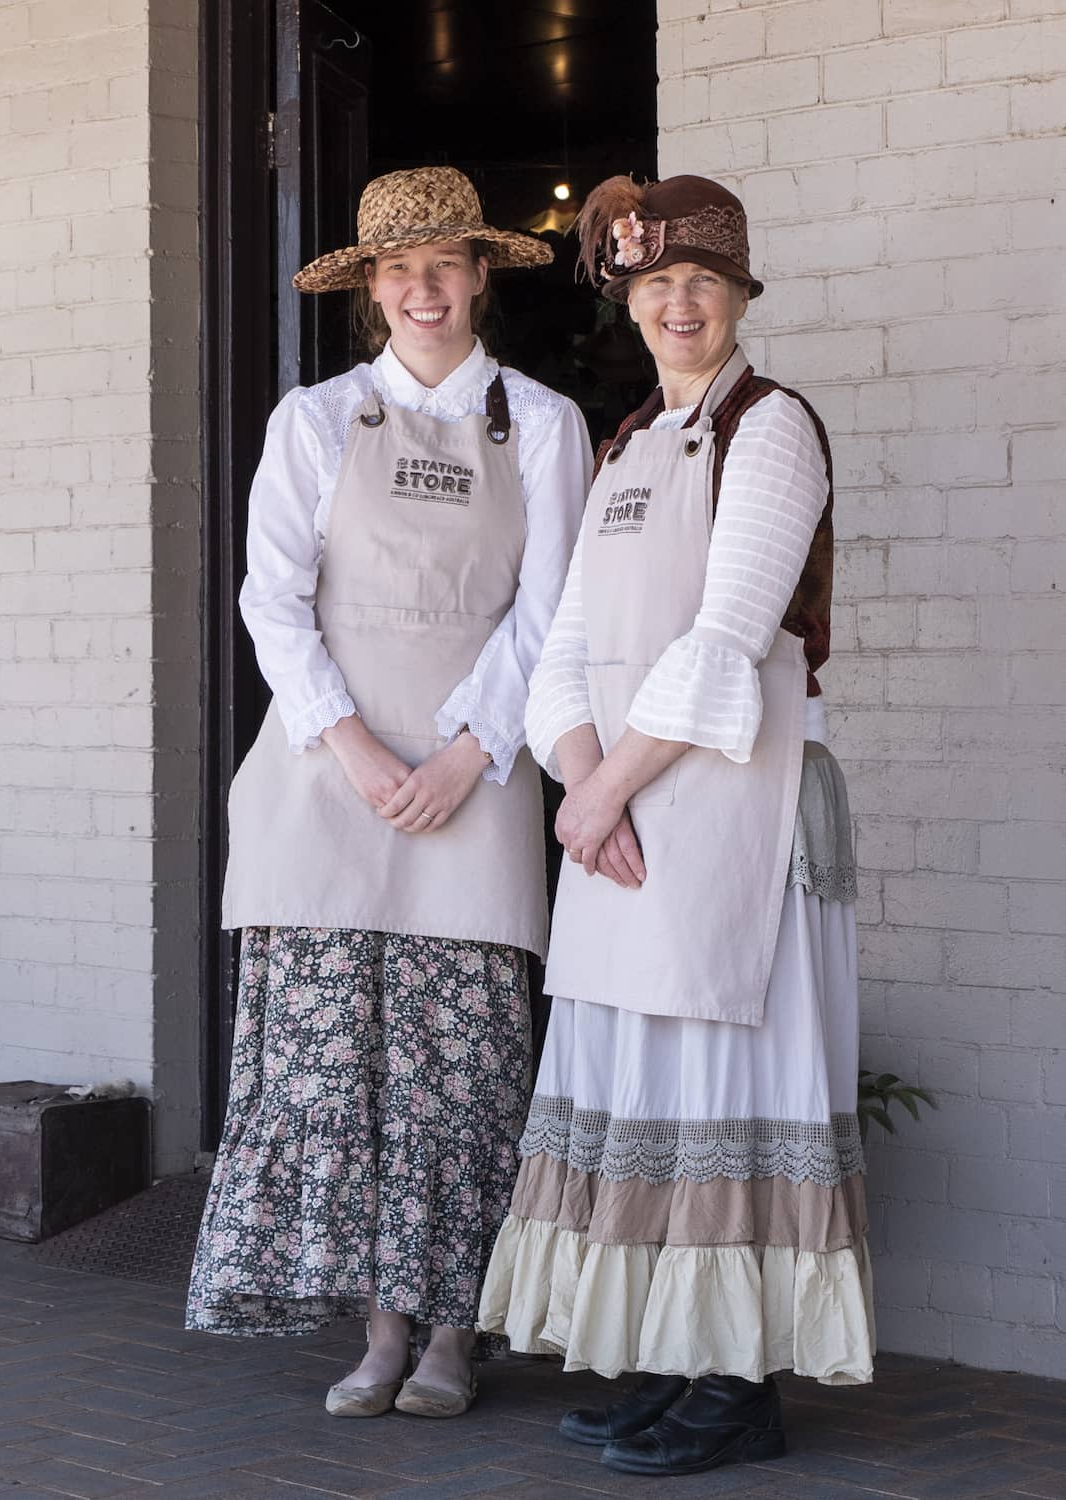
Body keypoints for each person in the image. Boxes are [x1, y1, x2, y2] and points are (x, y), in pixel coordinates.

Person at [477, 174, 873, 1475]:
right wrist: (580, 773)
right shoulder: (629, 445)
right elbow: (569, 647)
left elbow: (730, 637)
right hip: (632, 816)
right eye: (656, 285)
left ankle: (740, 1387)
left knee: (735, 1091)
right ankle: (670, 1362)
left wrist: (598, 795)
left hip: (741, 815)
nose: (679, 302)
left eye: (702, 281)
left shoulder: (775, 431)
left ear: (739, 295)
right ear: (631, 306)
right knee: (643, 1087)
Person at [187, 167, 592, 1420]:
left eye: (445, 264)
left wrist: (470, 751)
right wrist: (356, 748)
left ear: (480, 277)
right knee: (336, 1074)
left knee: (458, 1076)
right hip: (327, 782)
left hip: (475, 780)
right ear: (372, 291)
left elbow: (556, 612)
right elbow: (271, 603)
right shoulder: (315, 420)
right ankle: (375, 1333)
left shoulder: (544, 422)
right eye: (397, 269)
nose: (423, 287)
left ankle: (455, 1339)